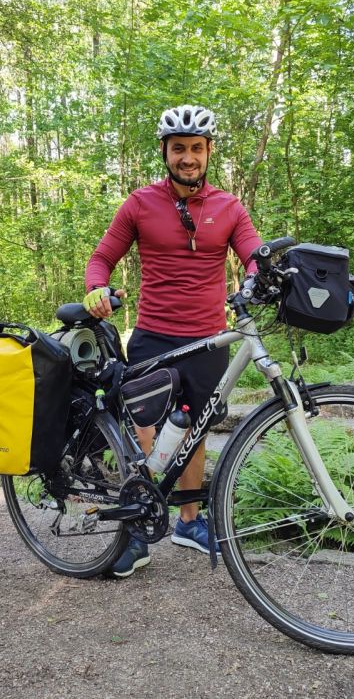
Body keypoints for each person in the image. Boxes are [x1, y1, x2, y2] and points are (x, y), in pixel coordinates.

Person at [84, 104, 262, 577]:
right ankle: (139, 528)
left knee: (196, 430)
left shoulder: (229, 207)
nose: (188, 157)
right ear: (165, 152)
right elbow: (101, 258)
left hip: (208, 339)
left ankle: (188, 520)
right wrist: (97, 288)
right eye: (179, 148)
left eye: (196, 148)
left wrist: (256, 281)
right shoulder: (140, 203)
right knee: (149, 435)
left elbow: (254, 257)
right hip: (153, 337)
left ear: (208, 153)